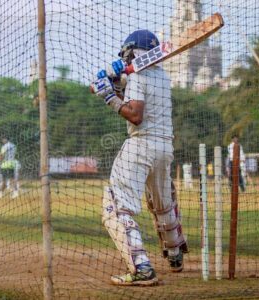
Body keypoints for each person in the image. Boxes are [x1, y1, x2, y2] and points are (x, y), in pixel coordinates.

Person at [92, 30, 188, 286]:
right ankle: (175, 254)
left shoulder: (138, 76)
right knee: (162, 203)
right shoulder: (161, 77)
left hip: (140, 145)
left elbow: (135, 115)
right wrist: (115, 83)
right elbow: (136, 99)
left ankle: (141, 268)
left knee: (116, 205)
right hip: (164, 147)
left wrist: (109, 97)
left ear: (133, 51)